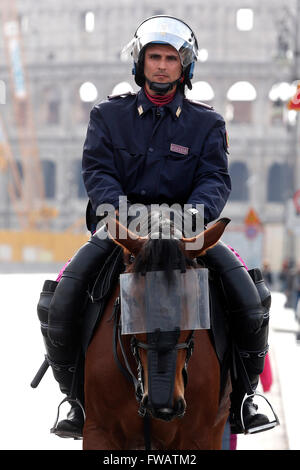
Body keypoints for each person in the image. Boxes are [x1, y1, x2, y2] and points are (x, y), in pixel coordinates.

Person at [36, 15, 278, 439]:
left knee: (251, 297)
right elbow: (97, 172)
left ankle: (243, 396)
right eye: (154, 57)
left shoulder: (207, 123)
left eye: (171, 58)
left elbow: (215, 179)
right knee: (60, 297)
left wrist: (193, 217)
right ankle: (75, 397)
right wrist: (124, 214)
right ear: (140, 62)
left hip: (186, 235)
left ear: (184, 67)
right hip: (123, 232)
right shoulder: (108, 116)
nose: (162, 66)